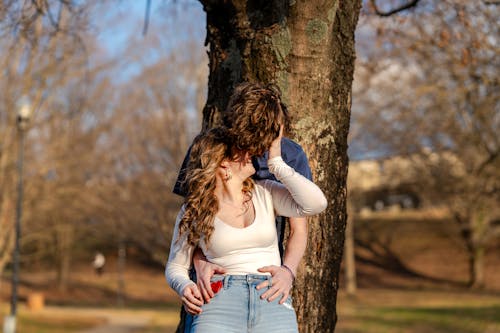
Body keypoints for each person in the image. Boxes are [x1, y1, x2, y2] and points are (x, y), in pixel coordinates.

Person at [172, 82, 313, 332]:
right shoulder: (211, 148)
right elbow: (195, 216)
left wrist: (288, 271)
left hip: (266, 284)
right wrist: (199, 262)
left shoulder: (291, 155)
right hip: (219, 282)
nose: (251, 154)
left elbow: (300, 228)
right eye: (244, 143)